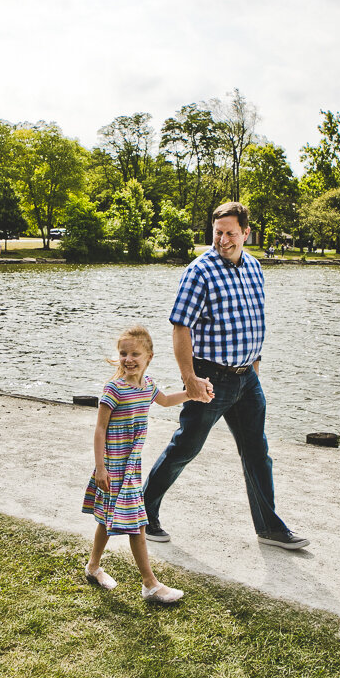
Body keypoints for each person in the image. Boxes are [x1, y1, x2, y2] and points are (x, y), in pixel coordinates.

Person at [143, 201, 310, 550]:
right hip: (210, 378)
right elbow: (180, 327)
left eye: (231, 233)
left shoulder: (254, 267)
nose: (223, 240)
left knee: (257, 452)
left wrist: (255, 366)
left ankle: (269, 527)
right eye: (218, 233)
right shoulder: (199, 271)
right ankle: (143, 511)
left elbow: (254, 320)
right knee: (186, 447)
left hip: (247, 378)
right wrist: (189, 378)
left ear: (246, 232)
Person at [81, 325, 210, 603]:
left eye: (135, 354)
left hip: (131, 468)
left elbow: (164, 401)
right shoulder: (114, 389)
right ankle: (150, 584)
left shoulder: (148, 386)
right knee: (139, 523)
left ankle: (93, 567)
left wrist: (192, 393)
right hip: (113, 467)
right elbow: (100, 429)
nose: (128, 359)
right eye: (123, 353)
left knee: (107, 519)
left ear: (149, 356)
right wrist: (100, 467)